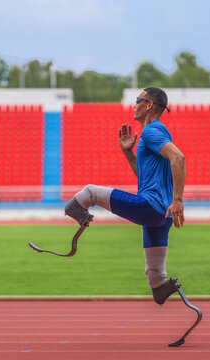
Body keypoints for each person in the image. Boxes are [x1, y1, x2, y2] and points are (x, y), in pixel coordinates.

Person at [64, 87, 186, 304]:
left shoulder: (151, 132)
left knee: (90, 192)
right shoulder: (156, 133)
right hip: (161, 216)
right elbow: (145, 177)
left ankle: (76, 210)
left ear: (149, 105)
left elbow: (179, 158)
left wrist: (178, 200)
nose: (134, 104)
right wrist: (129, 153)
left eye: (138, 99)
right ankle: (160, 289)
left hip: (150, 207)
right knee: (155, 274)